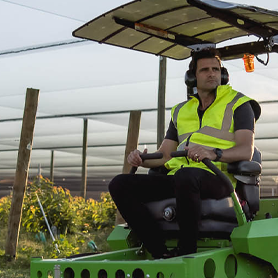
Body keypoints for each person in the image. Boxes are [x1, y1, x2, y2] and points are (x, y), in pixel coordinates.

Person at [108, 49, 257, 258]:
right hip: (182, 178)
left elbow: (246, 151)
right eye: (205, 70)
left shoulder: (239, 104)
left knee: (186, 177)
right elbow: (165, 155)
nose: (212, 74)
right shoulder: (180, 111)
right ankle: (158, 251)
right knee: (119, 184)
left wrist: (213, 153)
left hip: (218, 178)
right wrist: (141, 160)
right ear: (192, 77)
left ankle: (187, 250)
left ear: (223, 75)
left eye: (216, 69)